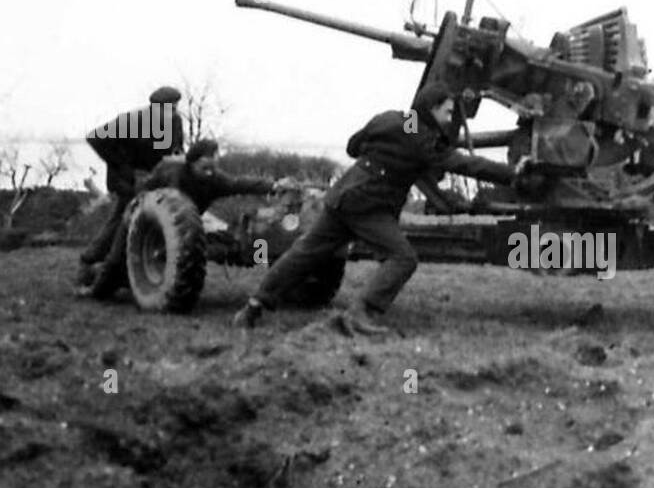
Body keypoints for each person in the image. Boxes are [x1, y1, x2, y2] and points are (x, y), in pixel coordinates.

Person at [231, 82, 531, 332]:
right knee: (403, 258)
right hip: (367, 206)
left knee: (303, 253)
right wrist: (512, 173)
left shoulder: (389, 118)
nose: (450, 119)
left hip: (341, 197)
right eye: (448, 112)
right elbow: (466, 164)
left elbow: (353, 146)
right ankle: (361, 313)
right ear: (432, 108)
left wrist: (380, 155)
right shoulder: (422, 139)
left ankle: (252, 307)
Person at [82, 139, 295, 300]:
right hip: (142, 215)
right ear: (191, 163)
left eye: (213, 168)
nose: (209, 173)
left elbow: (240, 183)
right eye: (204, 168)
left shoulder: (214, 180)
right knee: (117, 259)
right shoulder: (172, 172)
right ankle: (96, 291)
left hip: (179, 228)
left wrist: (274, 186)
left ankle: (123, 280)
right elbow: (150, 193)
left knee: (213, 239)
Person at [79, 86, 185, 280]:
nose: (174, 112)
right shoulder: (132, 120)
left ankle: (139, 264)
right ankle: (90, 261)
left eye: (175, 107)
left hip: (155, 177)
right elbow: (95, 138)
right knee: (122, 218)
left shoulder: (175, 121)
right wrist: (123, 165)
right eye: (170, 108)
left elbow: (176, 148)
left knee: (156, 218)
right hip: (127, 179)